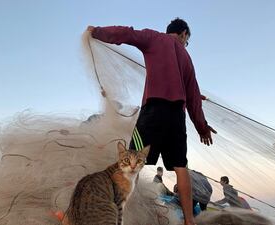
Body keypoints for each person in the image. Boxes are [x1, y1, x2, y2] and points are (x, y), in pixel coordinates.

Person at [88, 18, 217, 225]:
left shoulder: (154, 37)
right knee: (180, 167)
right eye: (187, 40)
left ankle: (122, 214)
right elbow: (193, 97)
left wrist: (98, 32)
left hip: (153, 112)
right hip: (177, 116)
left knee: (133, 161)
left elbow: (126, 33)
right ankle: (189, 221)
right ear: (183, 33)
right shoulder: (186, 57)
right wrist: (202, 127)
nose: (185, 44)